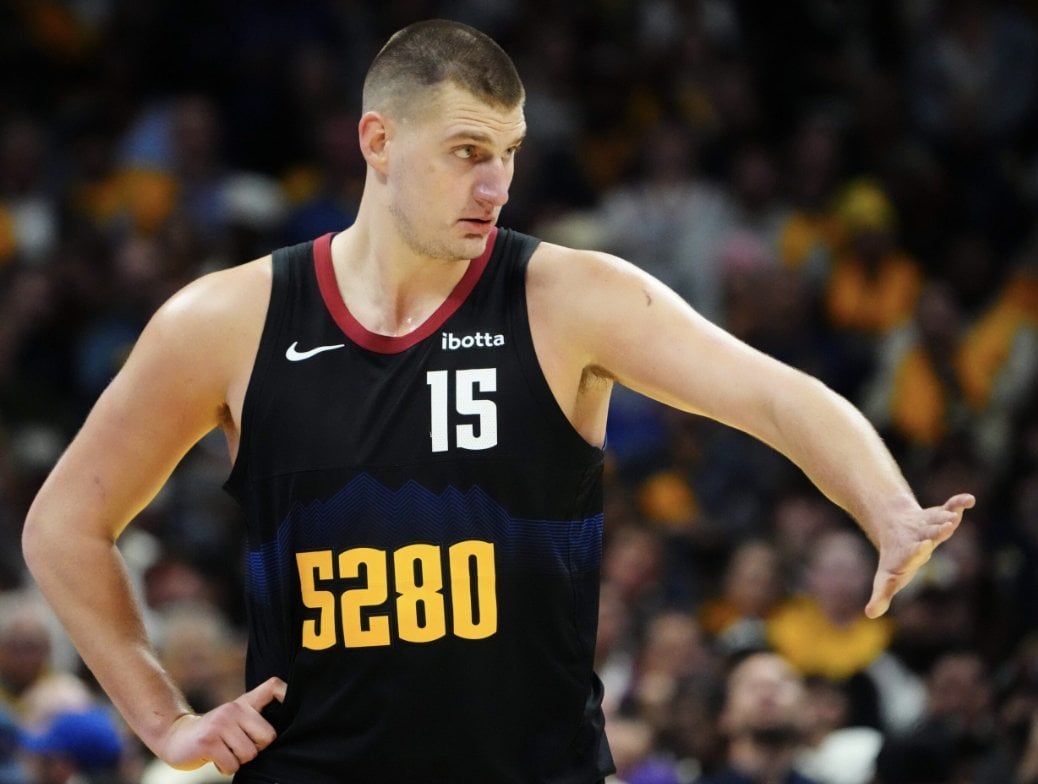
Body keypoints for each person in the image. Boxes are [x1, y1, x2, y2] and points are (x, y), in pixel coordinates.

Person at [20, 18, 974, 784]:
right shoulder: (228, 320)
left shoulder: (569, 297)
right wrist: (164, 719)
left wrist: (888, 507)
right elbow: (64, 527)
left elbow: (776, 395)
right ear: (377, 140)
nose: (497, 185)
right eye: (468, 150)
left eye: (510, 151)